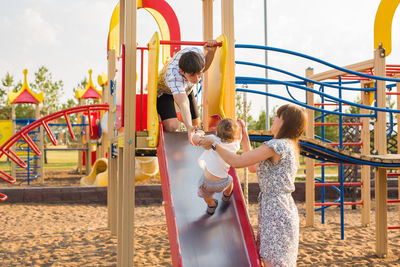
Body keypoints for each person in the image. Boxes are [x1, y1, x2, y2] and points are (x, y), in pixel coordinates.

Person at [199, 104, 306, 267]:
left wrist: (214, 144)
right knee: (275, 260)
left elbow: (238, 161)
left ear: (285, 123)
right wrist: (245, 136)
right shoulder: (286, 145)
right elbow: (252, 166)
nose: (274, 119)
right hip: (278, 208)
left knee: (274, 261)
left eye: (278, 116)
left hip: (277, 210)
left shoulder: (277, 145)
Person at [157, 40, 218, 144]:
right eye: (192, 75)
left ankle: (184, 117)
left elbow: (204, 67)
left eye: (199, 74)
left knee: (195, 122)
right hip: (164, 91)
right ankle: (174, 116)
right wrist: (189, 128)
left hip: (186, 88)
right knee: (172, 126)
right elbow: (183, 104)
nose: (196, 79)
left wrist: (211, 51)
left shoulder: (198, 57)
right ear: (182, 71)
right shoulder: (174, 76)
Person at [192, 118, 242, 215]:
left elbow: (195, 140)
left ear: (217, 131)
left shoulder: (213, 139)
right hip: (223, 183)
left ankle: (211, 204)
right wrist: (242, 127)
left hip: (206, 184)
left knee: (206, 197)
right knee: (230, 179)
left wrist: (199, 133)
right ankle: (227, 195)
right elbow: (240, 138)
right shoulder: (235, 145)